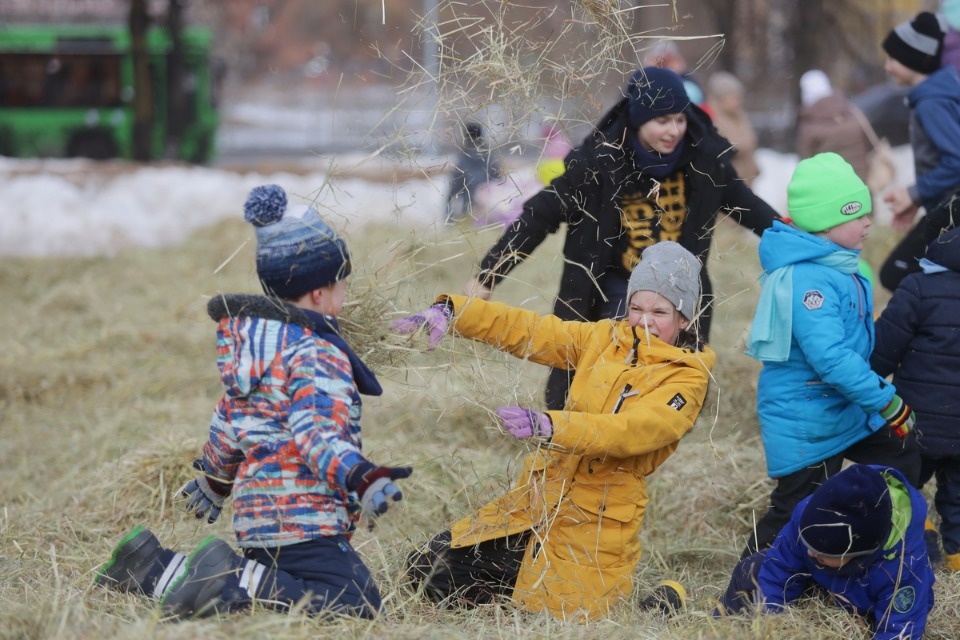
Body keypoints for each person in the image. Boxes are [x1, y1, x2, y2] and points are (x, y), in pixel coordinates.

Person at [94, 184, 413, 619]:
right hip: (305, 520)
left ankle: (152, 568)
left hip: (256, 520)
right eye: (342, 284)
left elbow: (228, 421)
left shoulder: (252, 351)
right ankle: (230, 576)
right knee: (357, 603)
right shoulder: (317, 352)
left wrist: (215, 480)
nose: (344, 294)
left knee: (273, 582)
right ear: (319, 293)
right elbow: (315, 432)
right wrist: (362, 476)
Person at [394, 242, 716, 621]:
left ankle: (661, 599)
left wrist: (553, 425)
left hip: (594, 520)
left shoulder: (687, 376)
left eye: (660, 312)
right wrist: (454, 312)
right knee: (425, 570)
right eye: (636, 308)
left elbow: (636, 430)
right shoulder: (604, 339)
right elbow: (531, 330)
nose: (644, 321)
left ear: (685, 319)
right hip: (539, 501)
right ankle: (515, 587)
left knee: (558, 614)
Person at [462, 66, 779, 409]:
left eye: (680, 119)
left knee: (667, 397)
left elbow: (749, 208)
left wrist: (801, 240)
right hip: (610, 288)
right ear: (639, 119)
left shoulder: (703, 161)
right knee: (596, 386)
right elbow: (538, 218)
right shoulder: (597, 164)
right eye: (662, 120)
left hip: (677, 294)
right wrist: (487, 275)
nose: (674, 130)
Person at [742, 152, 920, 558]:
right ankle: (751, 580)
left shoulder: (837, 265)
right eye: (856, 215)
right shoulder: (811, 281)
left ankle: (881, 543)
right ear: (825, 224)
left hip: (841, 408)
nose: (868, 222)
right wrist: (885, 400)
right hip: (807, 417)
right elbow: (831, 358)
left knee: (901, 453)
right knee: (795, 509)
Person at [717, 464, 935, 640]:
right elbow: (779, 568)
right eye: (809, 545)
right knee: (752, 568)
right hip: (822, 584)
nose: (811, 554)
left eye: (822, 553)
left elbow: (899, 630)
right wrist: (768, 625)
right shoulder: (810, 516)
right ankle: (721, 630)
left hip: (865, 607)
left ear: (861, 552)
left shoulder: (902, 567)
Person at [872, 225, 960, 571]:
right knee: (958, 496)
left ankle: (917, 536)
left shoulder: (917, 288)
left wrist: (866, 380)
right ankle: (956, 556)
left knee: (904, 484)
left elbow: (885, 348)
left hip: (915, 421)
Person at [878, 11, 960, 292]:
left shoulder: (931, 103)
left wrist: (914, 192)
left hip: (951, 212)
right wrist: (919, 199)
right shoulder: (936, 96)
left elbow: (956, 160)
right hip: (945, 208)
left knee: (896, 274)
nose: (887, 66)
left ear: (915, 60)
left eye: (893, 58)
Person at [795, 69, 872, 185]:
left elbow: (805, 165)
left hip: (834, 188)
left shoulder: (809, 126)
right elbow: (868, 145)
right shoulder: (851, 112)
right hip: (862, 183)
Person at [705, 70, 760, 186]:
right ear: (721, 98)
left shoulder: (739, 115)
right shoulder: (710, 117)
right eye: (733, 97)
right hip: (727, 182)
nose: (738, 101)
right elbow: (720, 150)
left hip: (746, 179)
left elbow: (750, 141)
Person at [445, 121, 504, 223]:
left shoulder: (462, 159)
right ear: (481, 136)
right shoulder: (490, 157)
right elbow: (499, 183)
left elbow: (453, 191)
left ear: (466, 136)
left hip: (469, 214)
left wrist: (449, 219)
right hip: (490, 214)